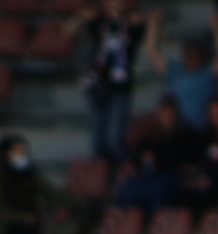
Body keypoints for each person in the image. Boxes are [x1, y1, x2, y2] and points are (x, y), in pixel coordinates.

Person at [67, 0, 159, 163]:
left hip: (121, 88)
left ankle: (119, 170)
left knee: (115, 139)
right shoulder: (99, 23)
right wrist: (79, 17)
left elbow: (152, 42)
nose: (116, 4)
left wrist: (151, 22)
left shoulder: (132, 25)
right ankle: (102, 171)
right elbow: (68, 32)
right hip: (99, 87)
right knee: (97, 143)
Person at [0, 134, 90, 234]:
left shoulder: (31, 175)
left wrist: (76, 201)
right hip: (5, 233)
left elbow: (50, 192)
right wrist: (24, 218)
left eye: (23, 152)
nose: (21, 156)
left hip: (29, 232)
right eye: (16, 152)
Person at [117, 96, 203, 213]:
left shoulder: (186, 134)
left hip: (171, 175)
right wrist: (143, 158)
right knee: (129, 189)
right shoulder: (153, 135)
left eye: (170, 113)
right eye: (164, 113)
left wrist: (161, 161)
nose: (167, 116)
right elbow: (138, 155)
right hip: (149, 174)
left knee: (158, 190)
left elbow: (184, 160)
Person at [145, 14, 218, 131]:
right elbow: (152, 53)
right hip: (176, 131)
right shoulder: (174, 70)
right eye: (187, 54)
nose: (189, 58)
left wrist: (217, 28)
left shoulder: (208, 74)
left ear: (201, 57)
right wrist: (152, 25)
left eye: (193, 54)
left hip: (200, 131)